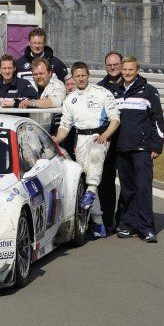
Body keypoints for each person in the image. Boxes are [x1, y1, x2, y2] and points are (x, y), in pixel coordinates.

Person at [54, 61, 121, 239]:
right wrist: (56, 139)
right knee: (86, 175)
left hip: (100, 136)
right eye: (77, 76)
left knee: (96, 157)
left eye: (83, 75)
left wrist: (105, 135)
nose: (81, 78)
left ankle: (91, 190)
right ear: (73, 78)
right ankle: (99, 225)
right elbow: (65, 126)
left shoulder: (102, 93)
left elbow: (115, 119)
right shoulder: (70, 99)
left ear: (88, 75)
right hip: (81, 140)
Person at [113, 57, 164, 243]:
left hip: (142, 149)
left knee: (143, 188)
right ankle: (128, 225)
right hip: (121, 148)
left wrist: (156, 146)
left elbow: (157, 120)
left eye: (130, 69)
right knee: (127, 189)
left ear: (137, 70)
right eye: (124, 69)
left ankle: (147, 228)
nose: (127, 72)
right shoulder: (115, 91)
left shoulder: (149, 91)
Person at [97, 51, 126, 232]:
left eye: (116, 64)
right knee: (106, 185)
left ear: (122, 64)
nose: (113, 67)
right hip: (106, 143)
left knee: (128, 185)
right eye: (109, 65)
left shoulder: (131, 85)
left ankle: (123, 220)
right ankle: (107, 222)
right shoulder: (100, 88)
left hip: (125, 143)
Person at [18, 58, 65, 132]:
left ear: (49, 73)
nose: (38, 76)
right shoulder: (27, 83)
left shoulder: (58, 85)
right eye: (35, 74)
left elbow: (54, 102)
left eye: (41, 73)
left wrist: (32, 103)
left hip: (51, 130)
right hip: (28, 129)